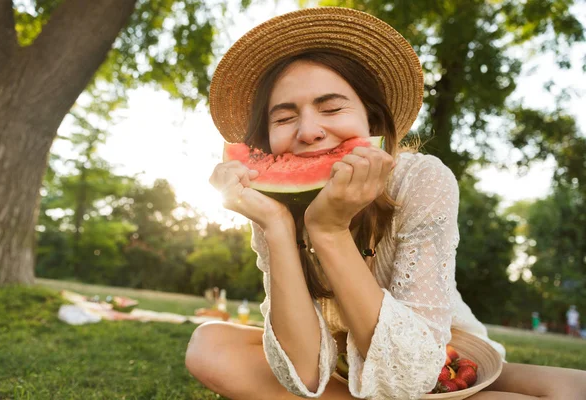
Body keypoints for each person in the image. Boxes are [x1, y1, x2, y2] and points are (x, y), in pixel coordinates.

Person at [185, 7, 586, 400]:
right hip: (337, 364)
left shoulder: (421, 179)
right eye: (284, 118)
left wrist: (329, 230)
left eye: (331, 108)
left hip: (436, 354)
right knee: (209, 345)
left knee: (574, 388)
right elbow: (304, 372)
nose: (308, 131)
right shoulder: (268, 200)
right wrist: (275, 225)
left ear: (372, 122)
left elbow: (413, 375)